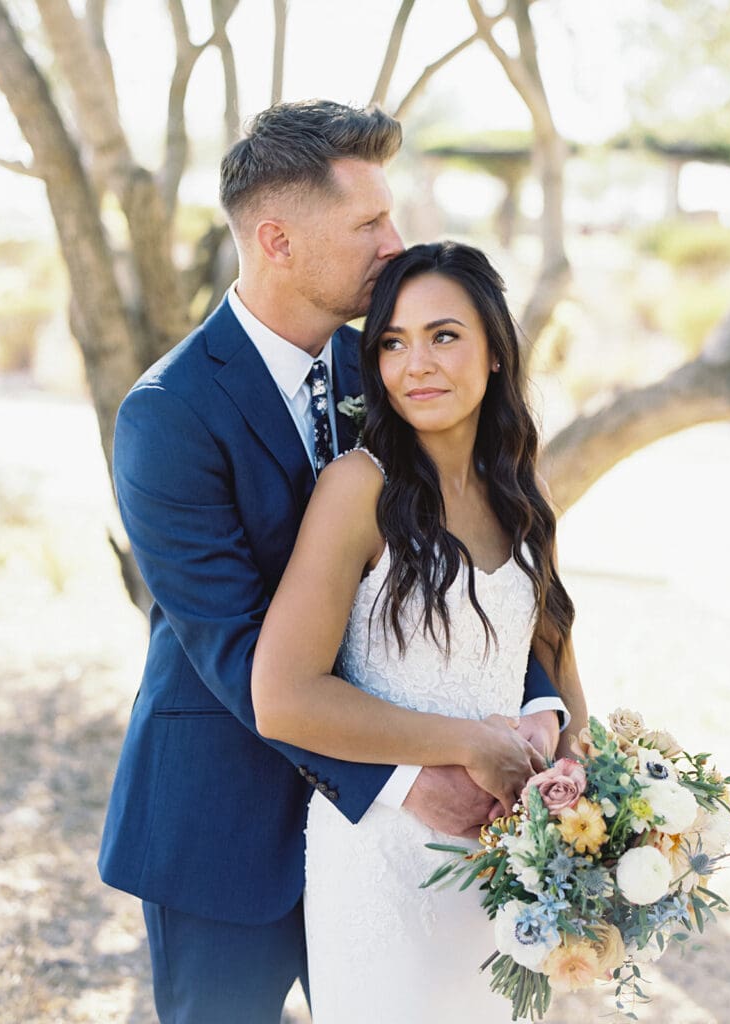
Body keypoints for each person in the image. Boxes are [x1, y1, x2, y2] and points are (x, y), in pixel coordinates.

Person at [98, 101, 567, 1023]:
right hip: (224, 819)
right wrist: (401, 780)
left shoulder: (386, 364)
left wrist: (539, 704)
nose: (395, 244)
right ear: (276, 239)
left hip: (403, 847)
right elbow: (234, 649)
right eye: (368, 225)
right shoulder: (168, 414)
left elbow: (486, 549)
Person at [252, 240, 588, 1021]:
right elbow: (284, 698)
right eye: (393, 343)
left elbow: (555, 658)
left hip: (512, 866)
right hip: (382, 862)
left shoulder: (523, 490)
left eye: (443, 335)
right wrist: (468, 743)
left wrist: (580, 787)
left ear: (495, 352)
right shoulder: (355, 490)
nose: (416, 365)